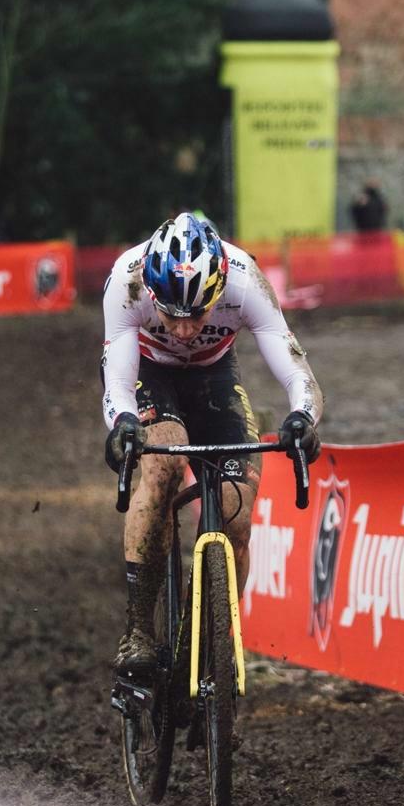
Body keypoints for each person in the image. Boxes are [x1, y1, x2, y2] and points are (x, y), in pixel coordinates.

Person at [101, 212, 323, 679]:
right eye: (172, 316)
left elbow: (295, 368)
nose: (184, 330)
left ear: (219, 290)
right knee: (163, 462)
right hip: (150, 373)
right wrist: (122, 424)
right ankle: (138, 630)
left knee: (237, 507)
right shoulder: (128, 280)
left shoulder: (246, 282)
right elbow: (117, 379)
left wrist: (302, 416)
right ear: (153, 295)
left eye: (198, 314)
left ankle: (213, 638)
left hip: (214, 376)